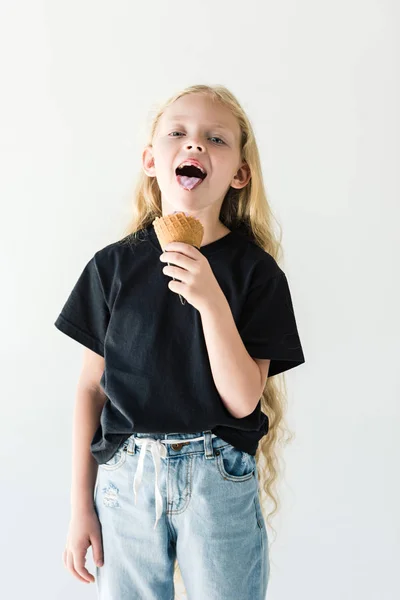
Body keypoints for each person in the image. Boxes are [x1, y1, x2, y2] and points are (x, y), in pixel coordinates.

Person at [55, 84, 305, 599]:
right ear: (151, 160)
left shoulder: (257, 274)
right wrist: (81, 505)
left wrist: (211, 299)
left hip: (219, 479)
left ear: (239, 173)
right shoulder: (112, 267)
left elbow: (242, 398)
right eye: (178, 133)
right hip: (126, 478)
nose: (194, 146)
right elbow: (90, 390)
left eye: (215, 139)